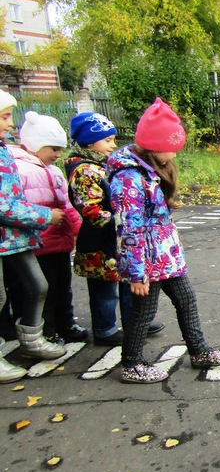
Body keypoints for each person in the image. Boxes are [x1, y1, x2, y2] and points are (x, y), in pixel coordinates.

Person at [106, 98, 220, 383]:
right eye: (171, 148)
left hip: (166, 256)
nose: (174, 155)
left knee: (186, 299)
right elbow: (129, 230)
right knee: (144, 311)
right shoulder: (129, 179)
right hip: (146, 262)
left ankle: (198, 351)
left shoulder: (150, 170)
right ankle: (132, 363)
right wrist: (137, 274)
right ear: (152, 145)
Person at [64, 112, 164, 346]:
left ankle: (134, 322)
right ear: (90, 142)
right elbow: (91, 210)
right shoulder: (84, 171)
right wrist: (124, 221)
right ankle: (105, 329)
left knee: (128, 282)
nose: (113, 145)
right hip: (100, 240)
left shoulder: (104, 165)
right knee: (105, 290)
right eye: (107, 140)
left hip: (119, 239)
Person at [0, 90, 67, 383]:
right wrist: (45, 217)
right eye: (4, 116)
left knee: (37, 285)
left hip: (14, 237)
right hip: (14, 229)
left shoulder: (3, 149)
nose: (9, 123)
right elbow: (3, 205)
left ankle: (31, 340)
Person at [12, 112, 85, 344]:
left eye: (59, 148)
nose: (57, 154)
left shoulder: (54, 172)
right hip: (37, 243)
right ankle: (47, 329)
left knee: (63, 286)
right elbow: (16, 208)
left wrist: (76, 229)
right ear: (34, 144)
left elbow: (67, 204)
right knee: (44, 289)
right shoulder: (19, 170)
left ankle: (66, 323)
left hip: (59, 242)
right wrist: (45, 218)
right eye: (52, 148)